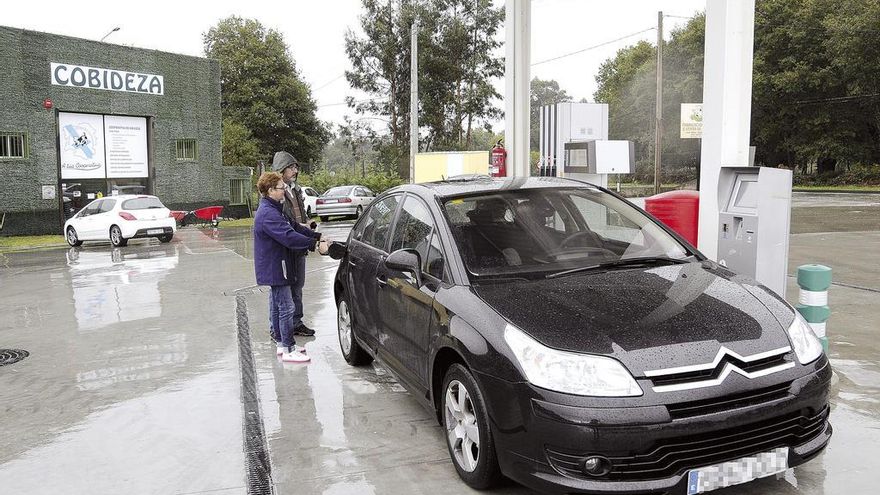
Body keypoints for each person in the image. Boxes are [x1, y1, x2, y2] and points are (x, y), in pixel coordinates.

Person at [253, 171, 329, 363]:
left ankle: (282, 345)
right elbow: (288, 236)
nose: (284, 190)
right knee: (286, 307)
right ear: (270, 190)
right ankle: (288, 349)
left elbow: (294, 227)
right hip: (275, 266)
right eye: (281, 188)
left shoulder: (274, 208)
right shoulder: (268, 214)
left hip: (278, 264)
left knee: (280, 307)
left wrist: (317, 237)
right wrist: (314, 246)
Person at [272, 151, 320, 337]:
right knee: (282, 289)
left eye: (296, 167)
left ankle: (296, 322)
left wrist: (308, 225)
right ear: (281, 169)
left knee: (298, 285)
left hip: (298, 244)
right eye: (291, 167)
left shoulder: (296, 189)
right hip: (285, 247)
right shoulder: (276, 192)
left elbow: (300, 215)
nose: (295, 170)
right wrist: (300, 229)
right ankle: (276, 327)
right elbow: (283, 222)